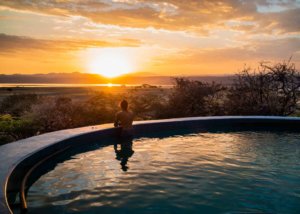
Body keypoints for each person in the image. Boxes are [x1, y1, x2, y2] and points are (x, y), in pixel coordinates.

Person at [114, 100, 134, 171]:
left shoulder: (119, 113)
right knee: (128, 143)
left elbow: (115, 124)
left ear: (120, 105)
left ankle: (123, 165)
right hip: (131, 131)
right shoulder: (131, 113)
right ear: (127, 105)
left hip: (124, 132)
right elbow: (130, 122)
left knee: (124, 144)